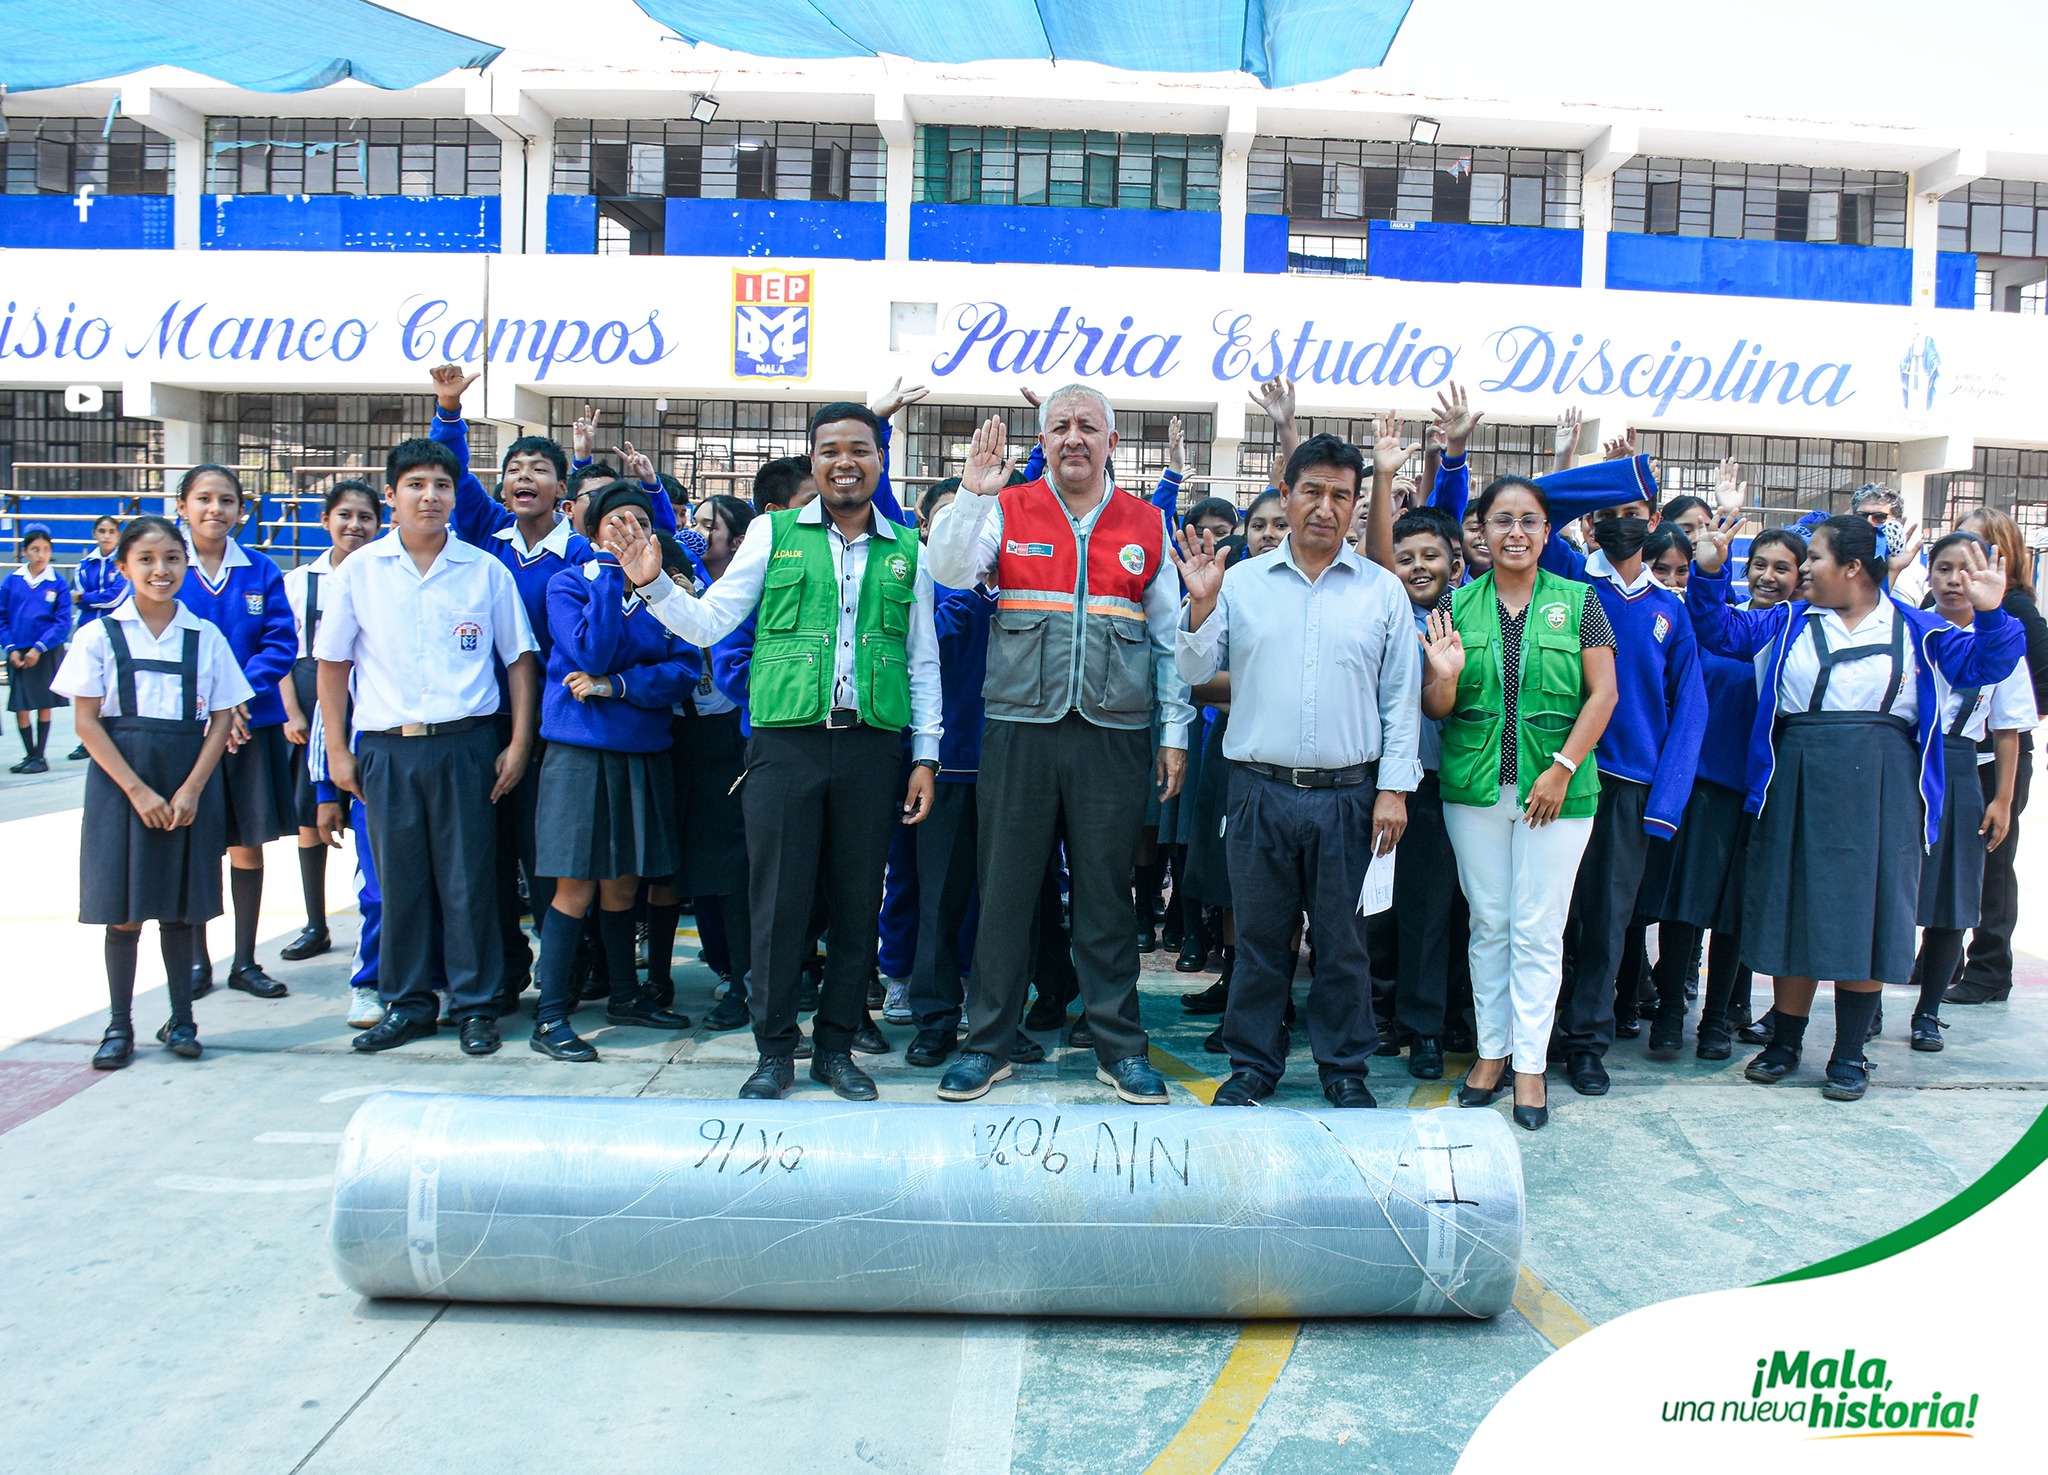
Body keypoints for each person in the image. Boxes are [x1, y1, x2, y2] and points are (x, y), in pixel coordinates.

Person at [625, 402, 941, 1102]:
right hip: (784, 746)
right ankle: (774, 1051)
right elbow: (709, 625)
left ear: (879, 461)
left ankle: (835, 1048)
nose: (845, 461)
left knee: (858, 903)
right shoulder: (772, 534)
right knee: (777, 904)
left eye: (859, 448)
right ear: (814, 461)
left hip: (871, 746)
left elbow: (922, 664)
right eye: (830, 450)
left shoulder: (908, 551)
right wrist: (651, 584)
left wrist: (926, 755)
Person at [1686, 512, 2022, 1101]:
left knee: (1868, 914)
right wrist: (1710, 571)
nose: (1805, 568)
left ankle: (1848, 1052)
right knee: (1795, 906)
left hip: (1884, 784)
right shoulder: (1787, 620)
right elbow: (1718, 632)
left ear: (1853, 568)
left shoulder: (1919, 629)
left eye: (1814, 557)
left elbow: (1986, 666)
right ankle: (1785, 1042)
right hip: (1797, 773)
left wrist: (1993, 613)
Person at [925, 386, 1192, 1106]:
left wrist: (1173, 733)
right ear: (1042, 442)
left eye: (1087, 426)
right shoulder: (1005, 509)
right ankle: (987, 1044)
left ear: (1110, 440)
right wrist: (973, 494)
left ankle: (1119, 1047)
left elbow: (1168, 642)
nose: (1073, 437)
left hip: (1113, 733)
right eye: (1059, 426)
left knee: (1106, 896)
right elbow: (948, 570)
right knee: (1006, 888)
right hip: (1019, 731)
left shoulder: (1146, 523)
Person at [1174, 432, 1419, 1107]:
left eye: (1342, 495)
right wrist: (1199, 605)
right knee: (1258, 940)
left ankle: (1344, 1068)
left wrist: (1394, 789)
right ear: (1286, 494)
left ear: (1354, 503)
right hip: (1257, 790)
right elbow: (1193, 671)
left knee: (1344, 943)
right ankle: (1254, 1064)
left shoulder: (1381, 593)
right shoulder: (1241, 583)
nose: (1325, 506)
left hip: (1349, 796)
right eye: (1312, 490)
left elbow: (1400, 699)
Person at [315, 438, 540, 1057]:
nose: (430, 496)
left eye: (442, 485)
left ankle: (475, 1005)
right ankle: (408, 1002)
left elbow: (519, 661)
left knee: (470, 881)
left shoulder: (483, 569)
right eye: (415, 485)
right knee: (400, 883)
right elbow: (331, 665)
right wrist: (337, 750)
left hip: (467, 745)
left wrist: (518, 742)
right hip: (387, 750)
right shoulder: (359, 572)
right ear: (391, 496)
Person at [1425, 477, 1618, 1131]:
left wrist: (1562, 769)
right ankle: (1490, 1053)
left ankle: (1530, 1065)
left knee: (1539, 929)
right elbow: (1438, 708)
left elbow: (1603, 694)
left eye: (1529, 520)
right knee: (1490, 923)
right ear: (1479, 530)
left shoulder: (1580, 600)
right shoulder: (1457, 603)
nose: (1515, 532)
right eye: (1501, 519)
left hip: (1558, 795)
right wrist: (1444, 679)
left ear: (1545, 531)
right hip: (1475, 790)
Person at [55, 515, 249, 1067]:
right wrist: (138, 791)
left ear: (185, 564)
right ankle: (119, 1026)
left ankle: (182, 1019)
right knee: (124, 909)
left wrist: (192, 789)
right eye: (146, 559)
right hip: (122, 783)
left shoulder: (203, 635)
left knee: (181, 909)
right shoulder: (97, 635)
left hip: (187, 782)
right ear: (122, 567)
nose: (160, 570)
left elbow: (220, 718)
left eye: (171, 558)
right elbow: (87, 724)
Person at [428, 367, 592, 1013]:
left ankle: (563, 973)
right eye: (515, 467)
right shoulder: (482, 537)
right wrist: (448, 408)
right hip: (481, 725)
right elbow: (452, 471)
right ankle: (500, 974)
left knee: (548, 858)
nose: (524, 476)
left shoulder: (580, 554)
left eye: (539, 469)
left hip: (556, 732)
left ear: (562, 488)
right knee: (487, 860)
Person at [527, 482, 699, 1062]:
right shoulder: (571, 583)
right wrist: (606, 573)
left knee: (626, 881)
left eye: (639, 522)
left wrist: (616, 687)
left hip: (644, 753)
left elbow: (682, 671)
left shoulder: (665, 594)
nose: (628, 530)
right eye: (614, 521)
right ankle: (550, 1017)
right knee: (575, 885)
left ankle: (627, 995)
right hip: (581, 755)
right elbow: (591, 653)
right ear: (592, 529)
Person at [1642, 524, 1804, 1060]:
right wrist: (1710, 568)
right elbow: (1705, 635)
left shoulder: (1795, 632)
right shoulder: (1721, 619)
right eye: (1760, 564)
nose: (1769, 576)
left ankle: (1716, 1022)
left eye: (1782, 567)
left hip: (1756, 789)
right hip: (1701, 782)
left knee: (1733, 912)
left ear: (1802, 576)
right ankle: (1669, 1016)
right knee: (1682, 906)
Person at [1906, 531, 2038, 1050]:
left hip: (1961, 768)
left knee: (1950, 900)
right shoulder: (1907, 629)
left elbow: (2008, 730)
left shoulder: (2001, 640)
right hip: (1903, 763)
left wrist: (2002, 798)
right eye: (1942, 568)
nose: (1954, 580)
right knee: (1887, 892)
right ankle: (1866, 1004)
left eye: (1966, 569)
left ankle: (1927, 1011)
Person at [174, 467, 297, 1001]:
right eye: (203, 499)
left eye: (227, 501)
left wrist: (237, 697)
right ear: (181, 505)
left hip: (251, 724)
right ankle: (197, 960)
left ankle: (244, 961)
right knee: (197, 844)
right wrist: (212, 706)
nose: (215, 510)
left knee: (248, 841)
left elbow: (280, 640)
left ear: (241, 511)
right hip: (189, 730)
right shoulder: (166, 568)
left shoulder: (260, 569)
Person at [277, 482, 383, 963]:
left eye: (364, 517)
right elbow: (285, 653)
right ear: (325, 521)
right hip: (310, 700)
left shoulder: (381, 575)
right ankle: (315, 921)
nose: (354, 525)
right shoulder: (302, 581)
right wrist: (293, 711)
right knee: (314, 820)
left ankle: (368, 924)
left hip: (365, 701)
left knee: (364, 823)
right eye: (344, 515)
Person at [1946, 506, 2048, 1005]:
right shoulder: (1938, 605)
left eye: (1978, 545)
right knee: (1943, 858)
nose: (1965, 557)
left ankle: (1990, 968)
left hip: (1995, 755)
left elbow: (2037, 690)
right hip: (1948, 755)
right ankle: (1940, 956)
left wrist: (1991, 715)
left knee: (1991, 860)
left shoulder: (2017, 612)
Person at [665, 494, 757, 1032]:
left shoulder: (737, 589)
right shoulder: (679, 583)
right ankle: (725, 967)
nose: (698, 533)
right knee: (702, 870)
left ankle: (746, 980)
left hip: (732, 737)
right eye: (692, 524)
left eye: (709, 525)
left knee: (737, 869)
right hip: (686, 737)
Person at [4, 524, 72, 774]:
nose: (40, 554)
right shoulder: (12, 581)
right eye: (34, 549)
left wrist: (38, 648)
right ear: (24, 552)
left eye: (45, 549)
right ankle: (29, 754)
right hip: (17, 651)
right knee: (21, 704)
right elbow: (2, 617)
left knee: (44, 702)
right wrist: (10, 648)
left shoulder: (57, 583)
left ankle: (41, 757)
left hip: (45, 651)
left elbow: (63, 622)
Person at [71, 514, 127, 761]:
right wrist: (89, 598)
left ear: (118, 535)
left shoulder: (124, 564)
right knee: (87, 686)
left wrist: (86, 598)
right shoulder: (83, 565)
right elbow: (77, 594)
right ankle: (86, 740)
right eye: (101, 531)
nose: (106, 535)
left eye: (111, 531)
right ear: (95, 534)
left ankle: (109, 735)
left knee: (111, 685)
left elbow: (115, 598)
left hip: (115, 631)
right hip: (88, 632)